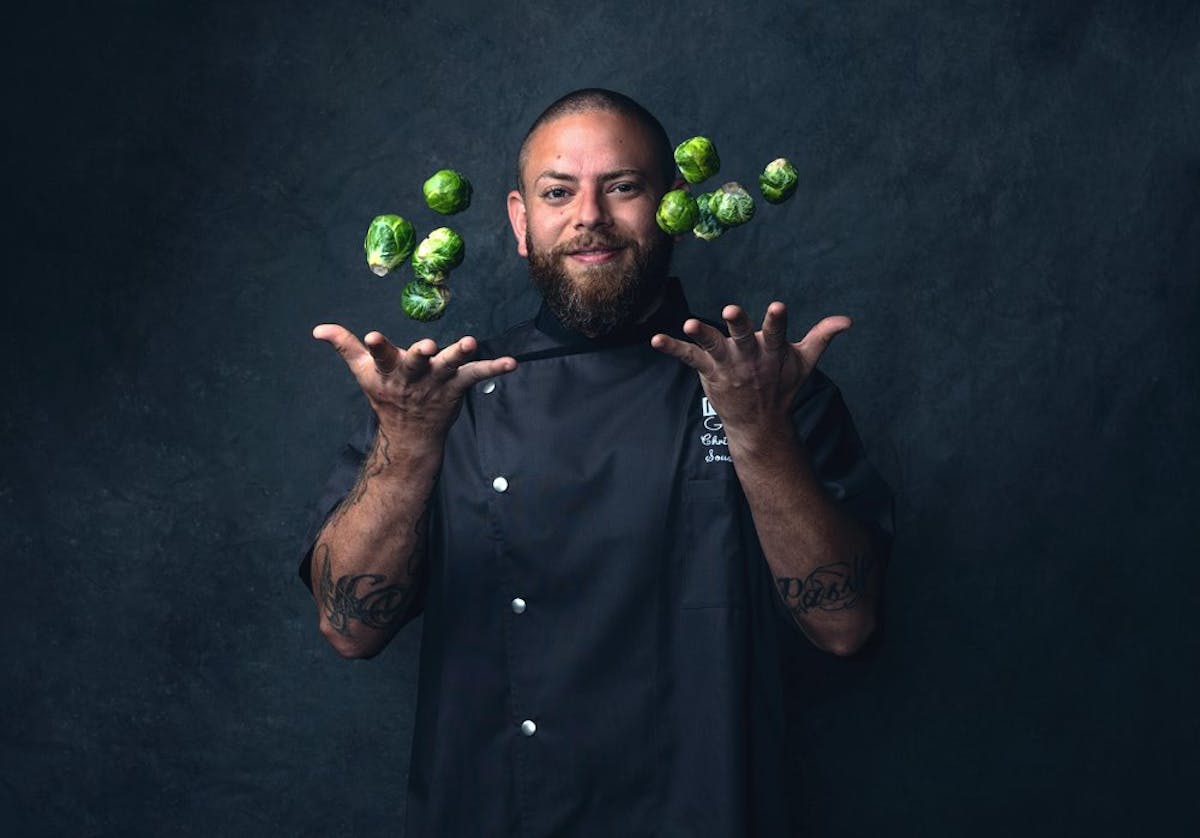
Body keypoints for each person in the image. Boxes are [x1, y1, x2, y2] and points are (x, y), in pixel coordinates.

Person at [298, 88, 893, 837]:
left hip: (709, 812)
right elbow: (349, 629)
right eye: (558, 192)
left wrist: (760, 436)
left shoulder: (766, 386)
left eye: (622, 186)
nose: (589, 217)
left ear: (673, 202)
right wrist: (410, 449)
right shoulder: (443, 397)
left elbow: (845, 626)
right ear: (520, 221)